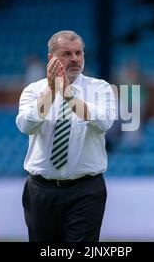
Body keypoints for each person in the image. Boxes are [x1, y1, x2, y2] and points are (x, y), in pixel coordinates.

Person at [16, 30, 116, 242]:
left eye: (79, 53)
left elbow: (103, 122)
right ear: (51, 59)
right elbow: (27, 125)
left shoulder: (100, 88)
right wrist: (53, 91)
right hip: (41, 190)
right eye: (67, 54)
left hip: (86, 191)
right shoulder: (33, 90)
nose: (75, 59)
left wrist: (68, 94)